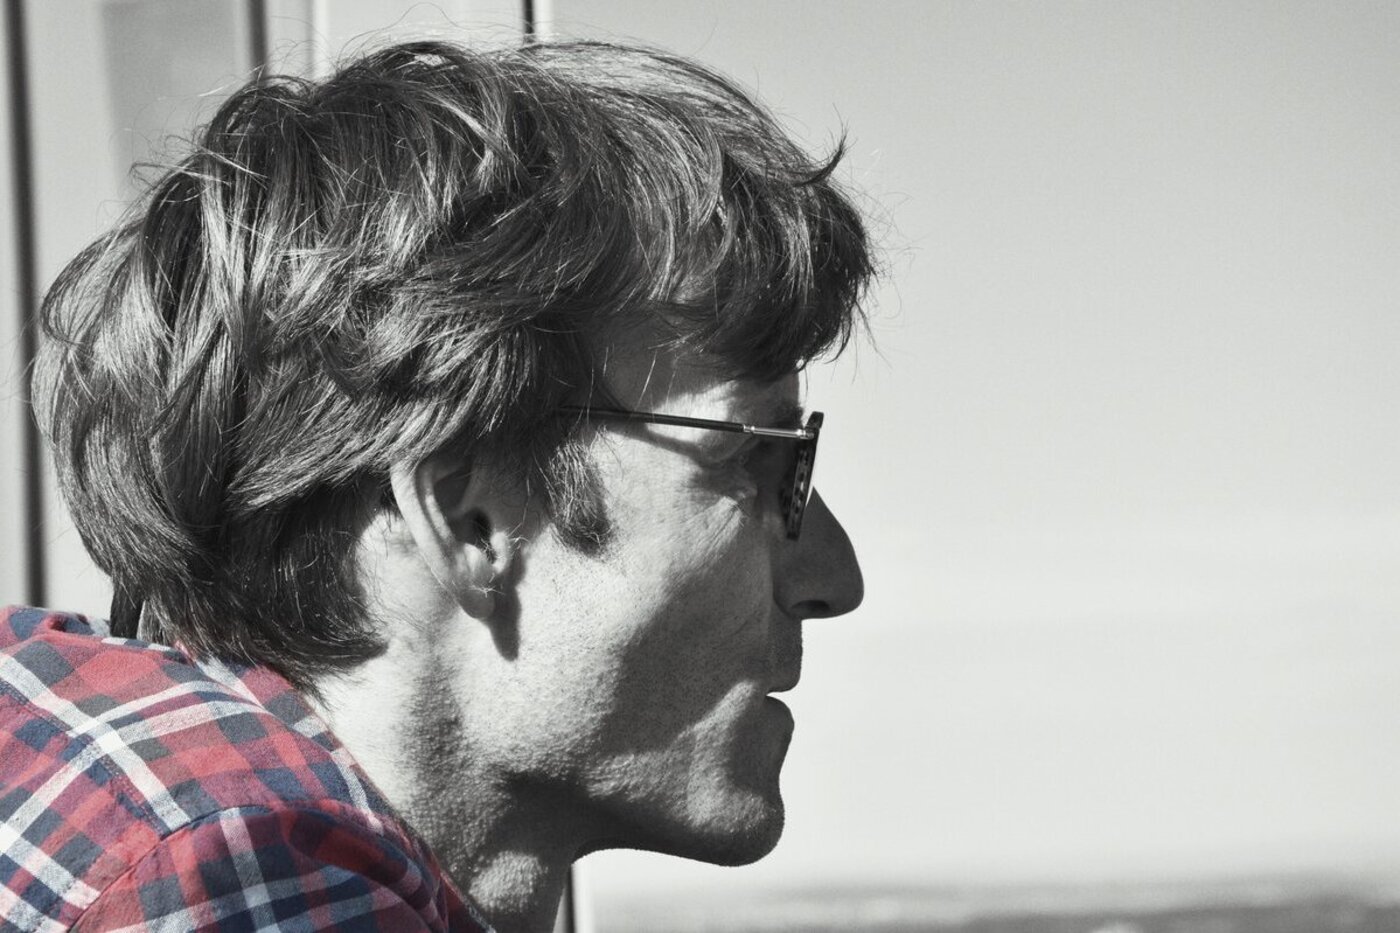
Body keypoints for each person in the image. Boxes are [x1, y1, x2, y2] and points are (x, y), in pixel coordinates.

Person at [1, 36, 871, 933]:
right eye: (754, 458)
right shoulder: (231, 885)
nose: (834, 576)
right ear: (467, 518)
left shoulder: (81, 774)